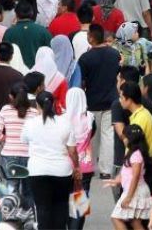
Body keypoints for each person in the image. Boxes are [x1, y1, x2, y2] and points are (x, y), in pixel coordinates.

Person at [21, 91, 81, 230]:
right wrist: (77, 168)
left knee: (42, 207)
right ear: (54, 103)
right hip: (62, 171)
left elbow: (23, 140)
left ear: (37, 105)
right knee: (60, 206)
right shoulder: (64, 122)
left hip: (37, 170)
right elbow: (72, 151)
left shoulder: (30, 123)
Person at [79, 23, 121, 179]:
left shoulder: (85, 58)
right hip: (111, 100)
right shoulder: (114, 54)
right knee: (108, 135)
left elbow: (82, 82)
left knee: (93, 136)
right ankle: (106, 170)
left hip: (92, 102)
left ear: (91, 37)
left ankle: (91, 166)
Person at [106, 124, 152, 229]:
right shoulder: (133, 153)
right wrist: (116, 181)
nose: (124, 140)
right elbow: (127, 174)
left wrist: (128, 197)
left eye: (125, 137)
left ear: (130, 139)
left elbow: (135, 177)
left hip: (134, 192)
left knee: (116, 217)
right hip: (134, 190)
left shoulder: (136, 155)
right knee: (135, 222)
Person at [66, 88, 95, 230]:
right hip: (86, 166)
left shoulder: (62, 119)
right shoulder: (90, 117)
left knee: (66, 199)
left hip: (67, 166)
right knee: (80, 202)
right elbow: (92, 134)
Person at [3, 1, 53, 67]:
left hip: (16, 71)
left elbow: (4, 55)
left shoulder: (9, 32)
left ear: (16, 14)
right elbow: (50, 53)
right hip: (38, 71)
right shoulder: (43, 31)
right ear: (32, 13)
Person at [32, 46, 69, 110]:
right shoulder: (60, 79)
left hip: (32, 115)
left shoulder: (30, 76)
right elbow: (63, 104)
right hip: (53, 115)